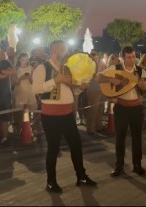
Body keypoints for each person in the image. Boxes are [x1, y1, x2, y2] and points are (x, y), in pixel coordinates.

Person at [32, 40, 97, 193]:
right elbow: (35, 89)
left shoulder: (66, 69)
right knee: (53, 149)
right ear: (55, 51)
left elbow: (71, 92)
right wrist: (56, 80)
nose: (67, 53)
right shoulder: (43, 67)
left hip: (67, 113)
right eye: (64, 50)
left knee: (76, 145)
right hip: (51, 115)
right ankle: (51, 182)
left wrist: (80, 89)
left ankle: (81, 176)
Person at [99, 46, 146, 177]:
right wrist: (111, 80)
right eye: (129, 57)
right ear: (122, 58)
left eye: (133, 57)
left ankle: (137, 165)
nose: (132, 60)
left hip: (136, 108)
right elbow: (98, 78)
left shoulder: (140, 71)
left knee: (137, 137)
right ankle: (119, 166)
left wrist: (142, 85)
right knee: (120, 138)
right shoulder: (115, 69)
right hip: (121, 107)